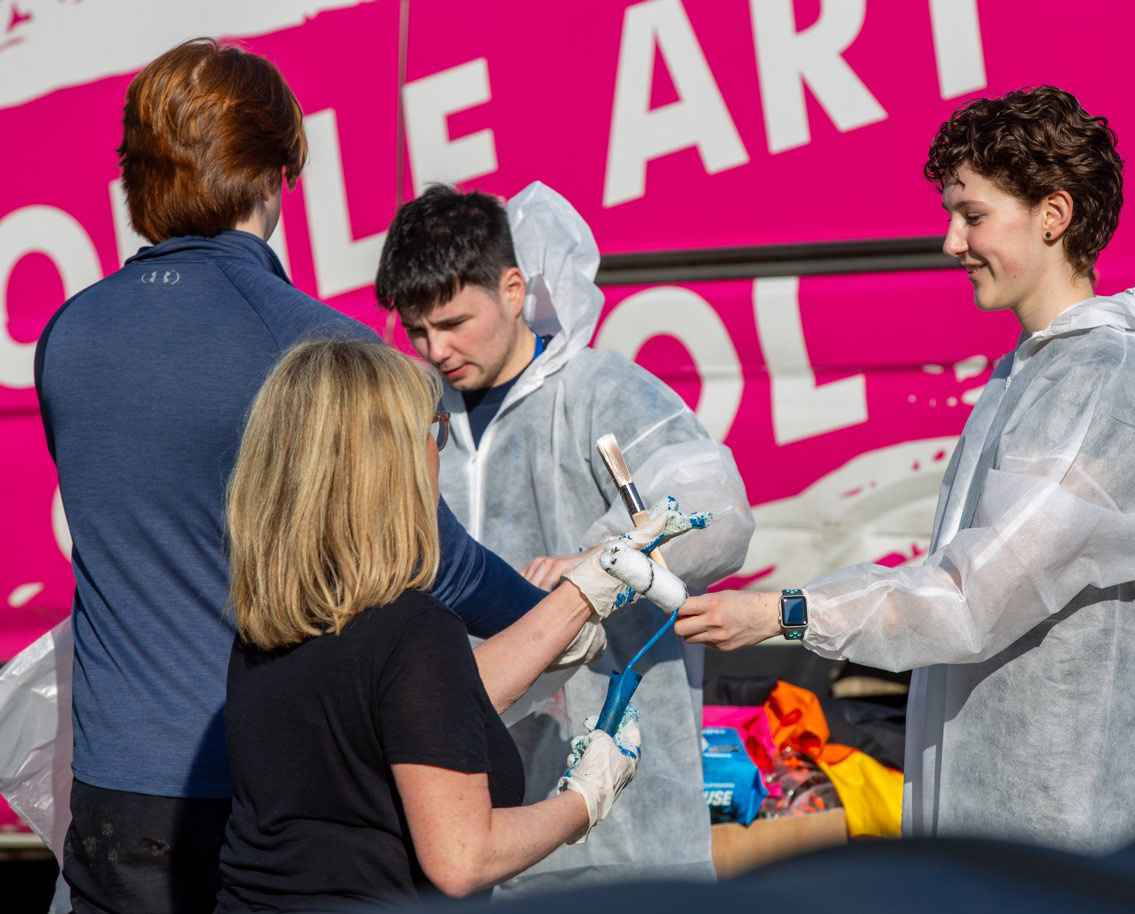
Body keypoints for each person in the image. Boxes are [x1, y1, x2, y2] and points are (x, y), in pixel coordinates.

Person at [33, 39, 598, 914]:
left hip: (110, 800)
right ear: (275, 170)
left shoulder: (68, 335)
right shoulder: (311, 346)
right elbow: (426, 560)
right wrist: (568, 613)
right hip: (260, 797)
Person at [674, 86, 1135, 851]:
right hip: (1026, 834)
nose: (951, 242)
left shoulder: (1104, 383)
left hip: (1081, 836)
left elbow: (972, 595)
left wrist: (786, 611)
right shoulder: (1029, 375)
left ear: (1054, 215)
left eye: (973, 215)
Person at [374, 182, 755, 891]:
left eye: (455, 322)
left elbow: (719, 509)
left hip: (623, 823)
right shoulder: (413, 421)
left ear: (513, 288)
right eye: (419, 331)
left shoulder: (598, 390)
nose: (438, 348)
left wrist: (597, 560)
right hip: (467, 817)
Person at [214, 339, 646, 910]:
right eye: (433, 429)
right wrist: (584, 799)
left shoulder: (276, 619)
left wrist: (577, 599)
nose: (436, 449)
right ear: (392, 460)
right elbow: (463, 859)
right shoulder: (413, 630)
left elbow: (422, 709)